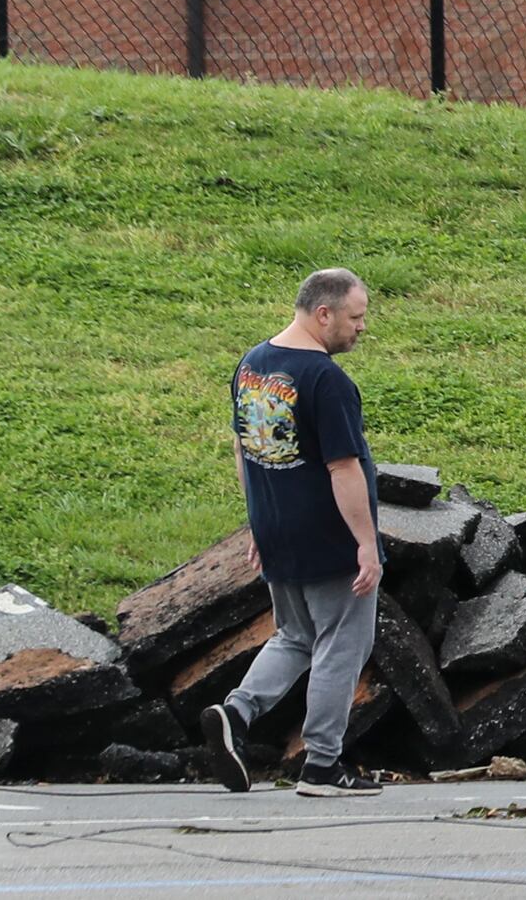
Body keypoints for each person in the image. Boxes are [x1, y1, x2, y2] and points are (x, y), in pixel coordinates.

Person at [200, 267, 383, 796]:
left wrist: (259, 520)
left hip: (276, 530)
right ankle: (323, 764)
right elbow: (342, 469)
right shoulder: (327, 381)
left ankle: (235, 713)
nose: (362, 327)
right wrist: (366, 543)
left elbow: (245, 449)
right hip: (329, 537)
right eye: (356, 316)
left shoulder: (252, 364)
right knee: (342, 643)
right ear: (323, 314)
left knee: (295, 636)